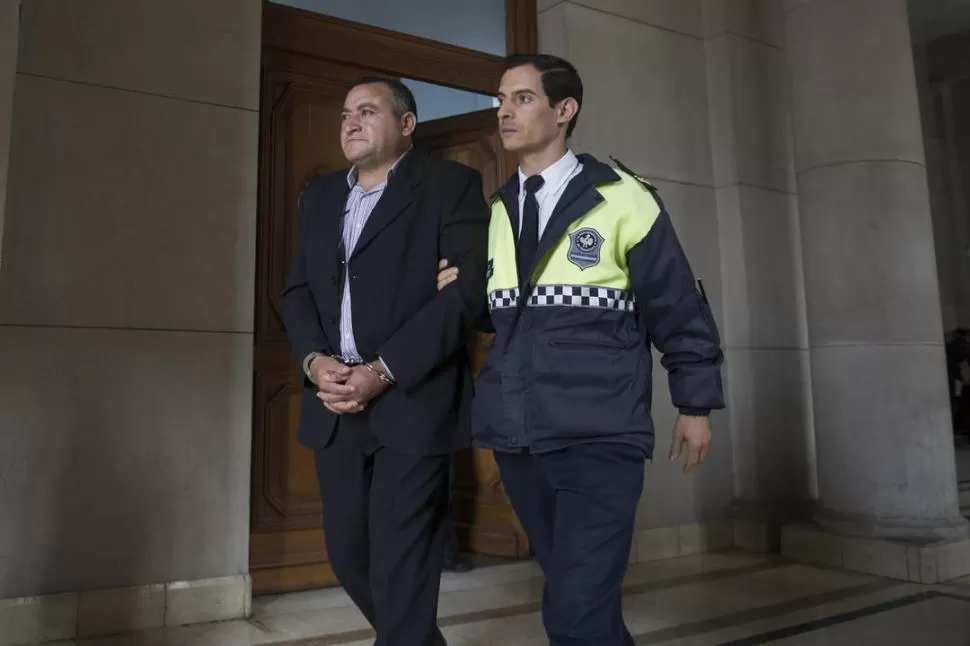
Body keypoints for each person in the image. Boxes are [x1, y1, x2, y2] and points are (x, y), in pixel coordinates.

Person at [436, 54, 725, 645]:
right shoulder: (495, 213)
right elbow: (511, 315)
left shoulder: (624, 199)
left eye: (522, 98)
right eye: (501, 99)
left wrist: (695, 404)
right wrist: (460, 291)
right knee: (581, 598)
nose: (504, 112)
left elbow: (676, 306)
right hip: (519, 436)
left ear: (564, 111)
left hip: (599, 433)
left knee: (573, 609)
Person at [282, 76, 489, 646]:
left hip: (412, 400)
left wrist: (383, 370)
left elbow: (465, 295)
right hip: (335, 400)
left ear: (406, 124)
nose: (349, 121)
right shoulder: (322, 196)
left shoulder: (451, 185)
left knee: (403, 562)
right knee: (348, 553)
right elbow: (297, 291)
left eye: (367, 111)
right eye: (345, 111)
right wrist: (313, 361)